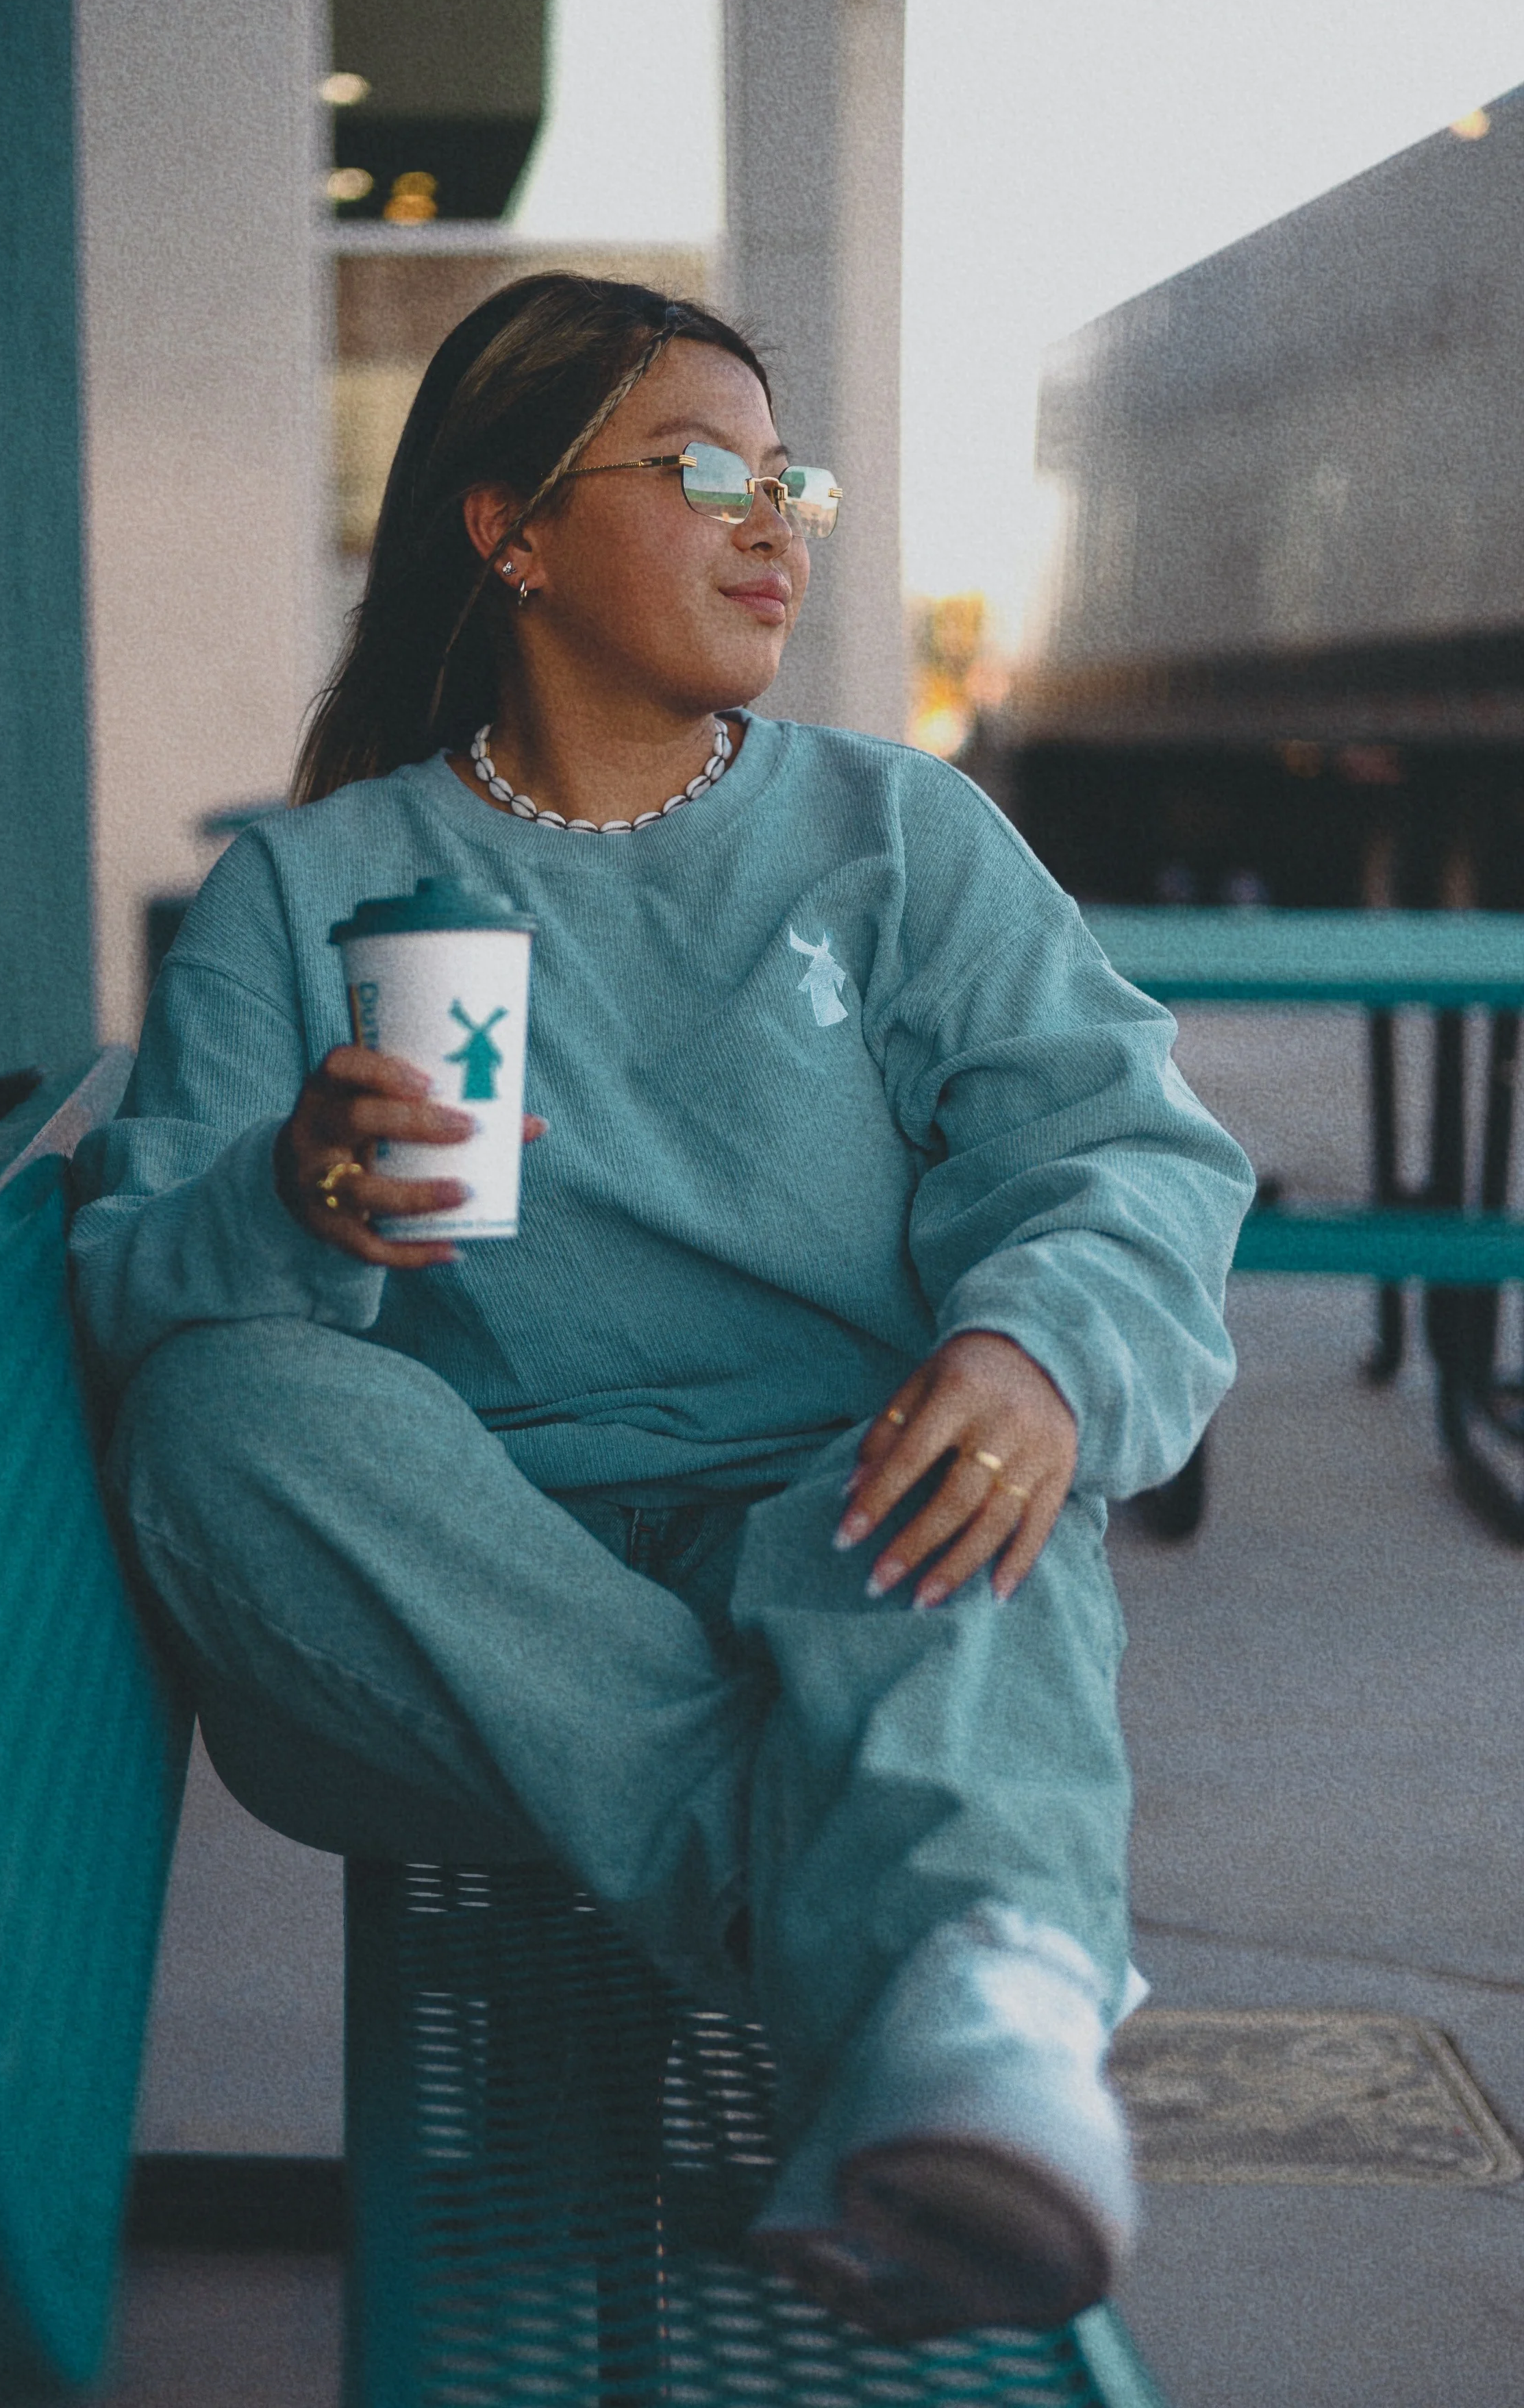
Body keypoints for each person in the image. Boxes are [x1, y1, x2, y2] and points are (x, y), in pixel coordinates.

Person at [69, 273, 1253, 2342]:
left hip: (840, 1527)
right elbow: (135, 1275)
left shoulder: (895, 837)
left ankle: (965, 1985)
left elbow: (1125, 1154)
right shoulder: (311, 884)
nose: (773, 519)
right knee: (218, 1411)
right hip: (472, 1599)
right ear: (507, 524)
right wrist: (293, 1206)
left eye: (787, 475)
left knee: (962, 1483)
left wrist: (1038, 1343)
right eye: (703, 470)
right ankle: (951, 1964)